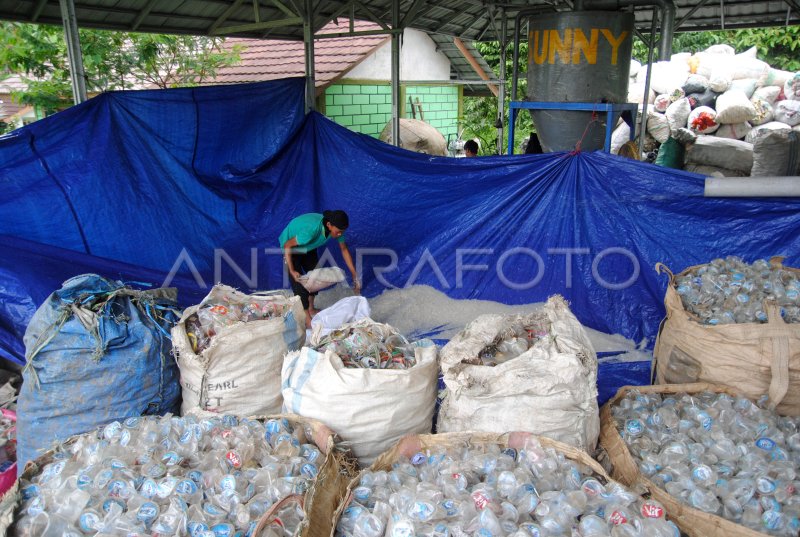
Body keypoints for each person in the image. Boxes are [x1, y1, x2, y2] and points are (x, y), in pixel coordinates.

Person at [279, 210, 360, 327]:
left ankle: (311, 308)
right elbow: (287, 245)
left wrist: (354, 275)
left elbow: (344, 250)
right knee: (299, 284)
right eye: (338, 232)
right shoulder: (310, 231)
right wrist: (292, 270)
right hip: (291, 247)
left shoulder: (338, 229)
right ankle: (306, 319)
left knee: (316, 274)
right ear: (329, 225)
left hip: (308, 246)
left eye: (342, 232)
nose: (340, 235)